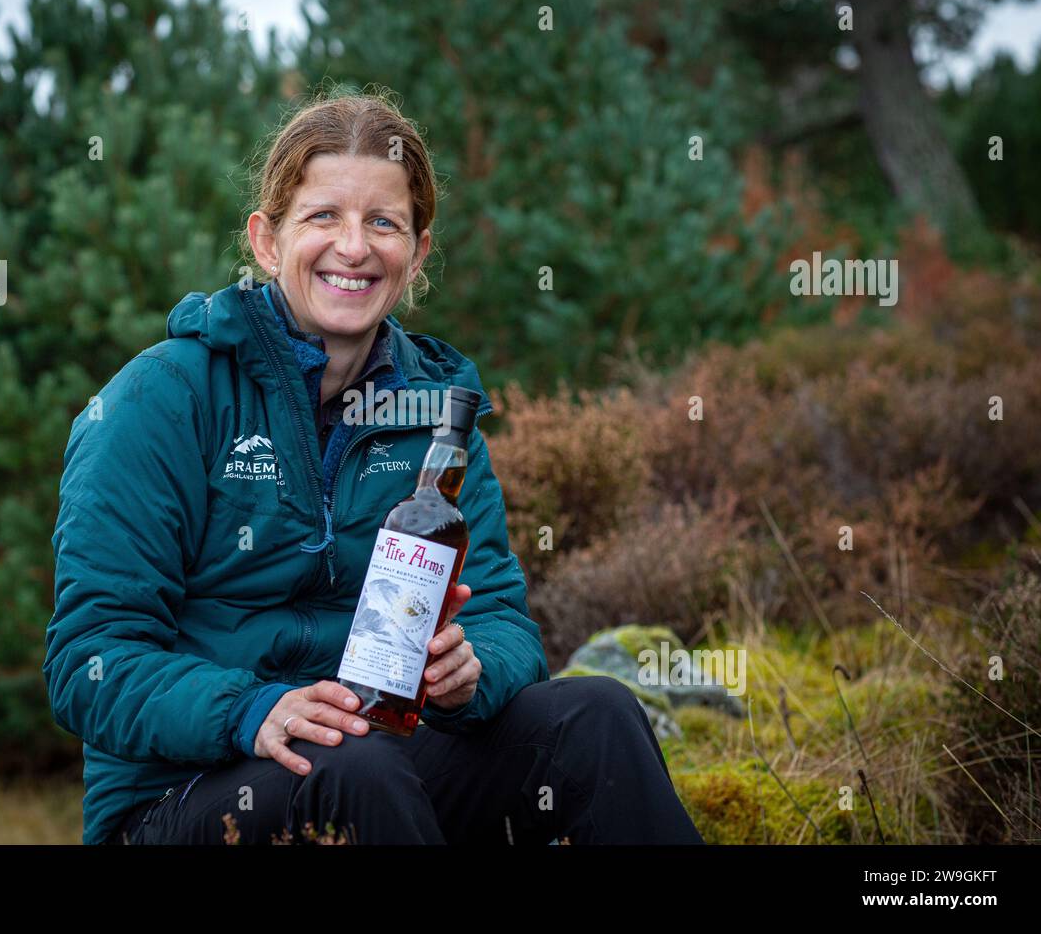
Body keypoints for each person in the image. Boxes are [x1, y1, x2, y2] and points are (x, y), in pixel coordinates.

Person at [43, 90, 704, 845]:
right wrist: (251, 711)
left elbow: (502, 622)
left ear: (416, 253)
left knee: (598, 715)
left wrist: (473, 671)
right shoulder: (160, 399)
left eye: (383, 223)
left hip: (384, 760)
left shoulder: (438, 416)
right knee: (353, 770)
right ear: (266, 240)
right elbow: (87, 660)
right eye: (323, 217)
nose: (353, 248)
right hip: (182, 796)